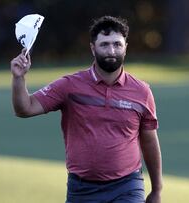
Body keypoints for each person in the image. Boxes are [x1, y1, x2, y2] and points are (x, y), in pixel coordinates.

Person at [10, 16, 162, 203]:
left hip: (127, 186)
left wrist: (156, 190)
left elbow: (149, 142)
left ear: (126, 47)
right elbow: (25, 108)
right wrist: (18, 78)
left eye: (117, 44)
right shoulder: (69, 86)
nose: (112, 50)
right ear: (93, 48)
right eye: (104, 44)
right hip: (82, 189)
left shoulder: (142, 91)